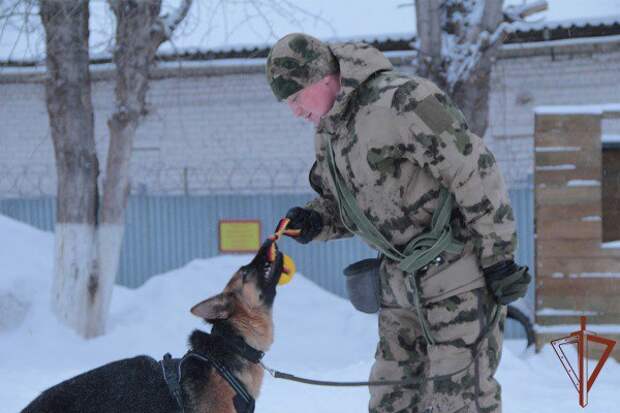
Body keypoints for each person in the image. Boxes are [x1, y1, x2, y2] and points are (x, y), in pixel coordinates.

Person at [265, 33, 531, 413]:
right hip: (400, 286)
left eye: (294, 97)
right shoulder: (328, 134)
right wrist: (315, 219)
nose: (294, 111)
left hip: (456, 274)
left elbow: (473, 168)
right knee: (391, 401)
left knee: (460, 401)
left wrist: (499, 258)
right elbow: (350, 206)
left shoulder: (402, 100)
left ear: (321, 77)